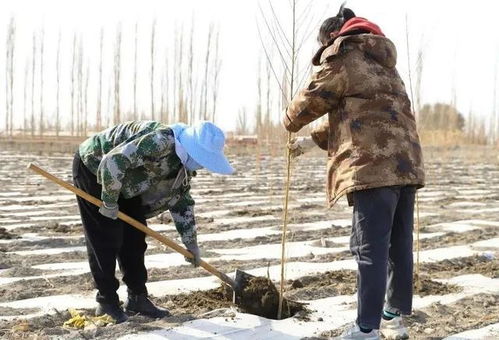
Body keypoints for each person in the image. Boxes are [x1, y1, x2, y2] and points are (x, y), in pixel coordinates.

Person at [282, 5, 425, 340]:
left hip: (371, 167)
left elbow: (312, 102)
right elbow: (363, 115)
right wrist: (312, 141)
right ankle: (396, 316)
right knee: (398, 243)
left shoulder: (344, 54)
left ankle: (366, 329)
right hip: (406, 164)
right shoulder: (384, 60)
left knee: (369, 248)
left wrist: (289, 120)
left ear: (333, 36)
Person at [72, 120, 234, 323]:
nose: (202, 166)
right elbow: (113, 162)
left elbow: (181, 202)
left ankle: (137, 298)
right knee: (106, 236)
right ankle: (106, 302)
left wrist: (191, 244)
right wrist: (110, 201)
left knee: (135, 237)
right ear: (194, 150)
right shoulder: (160, 142)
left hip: (125, 180)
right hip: (94, 167)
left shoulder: (181, 165)